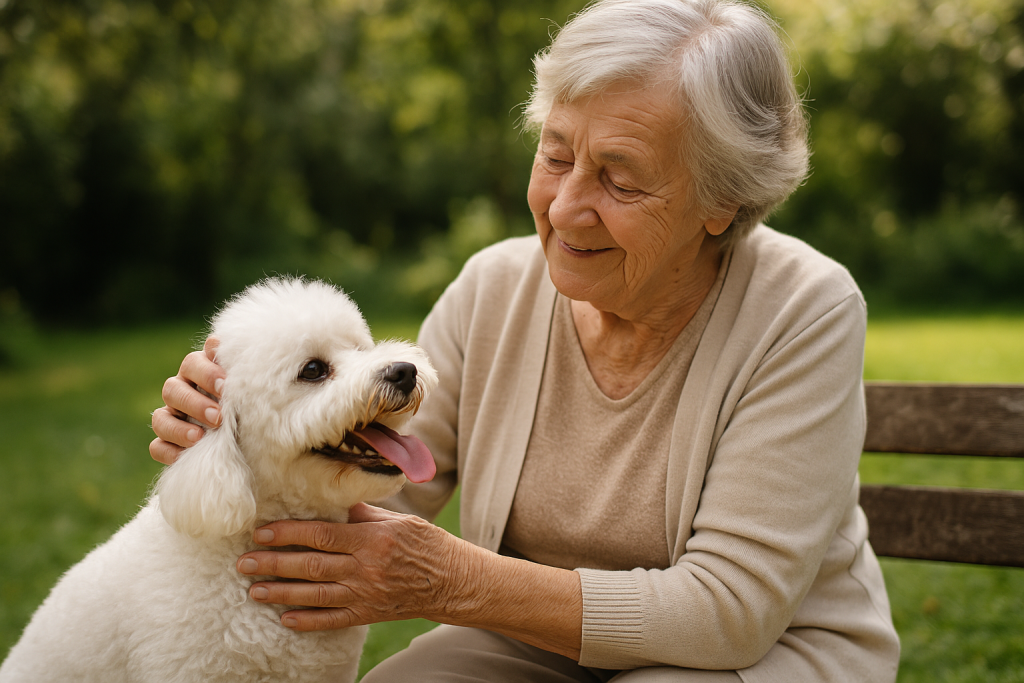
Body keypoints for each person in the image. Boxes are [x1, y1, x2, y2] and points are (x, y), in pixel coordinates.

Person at [150, 0, 900, 680]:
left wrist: (457, 580)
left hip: (766, 655)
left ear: (722, 200)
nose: (567, 207)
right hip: (530, 642)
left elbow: (728, 612)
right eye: (557, 154)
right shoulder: (494, 286)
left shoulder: (805, 308)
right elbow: (386, 491)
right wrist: (244, 430)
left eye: (621, 179)